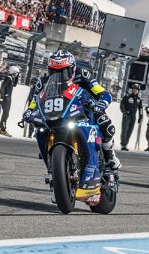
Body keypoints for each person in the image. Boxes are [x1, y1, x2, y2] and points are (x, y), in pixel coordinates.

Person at [29, 50, 119, 185]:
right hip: (59, 115)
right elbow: (35, 100)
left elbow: (103, 93)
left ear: (72, 68)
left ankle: (109, 154)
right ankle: (52, 163)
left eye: (63, 71)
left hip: (83, 111)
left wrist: (100, 104)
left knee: (103, 120)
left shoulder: (82, 75)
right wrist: (29, 111)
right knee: (40, 130)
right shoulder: (44, 82)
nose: (59, 75)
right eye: (54, 71)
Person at [0, 64, 20, 137]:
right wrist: (1, 97)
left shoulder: (11, 79)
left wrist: (17, 77)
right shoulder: (8, 78)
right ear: (13, 72)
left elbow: (15, 84)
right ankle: (2, 130)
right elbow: (3, 87)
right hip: (6, 98)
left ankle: (3, 129)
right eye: (16, 73)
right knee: (5, 114)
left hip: (9, 98)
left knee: (6, 114)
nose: (17, 75)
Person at [119, 84, 142, 151]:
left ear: (138, 91)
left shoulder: (139, 99)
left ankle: (125, 144)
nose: (135, 90)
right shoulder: (127, 97)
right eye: (134, 89)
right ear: (132, 89)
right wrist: (124, 112)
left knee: (130, 131)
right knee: (124, 130)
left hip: (133, 117)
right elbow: (122, 105)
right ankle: (123, 144)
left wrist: (140, 117)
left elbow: (140, 108)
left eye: (136, 89)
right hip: (127, 116)